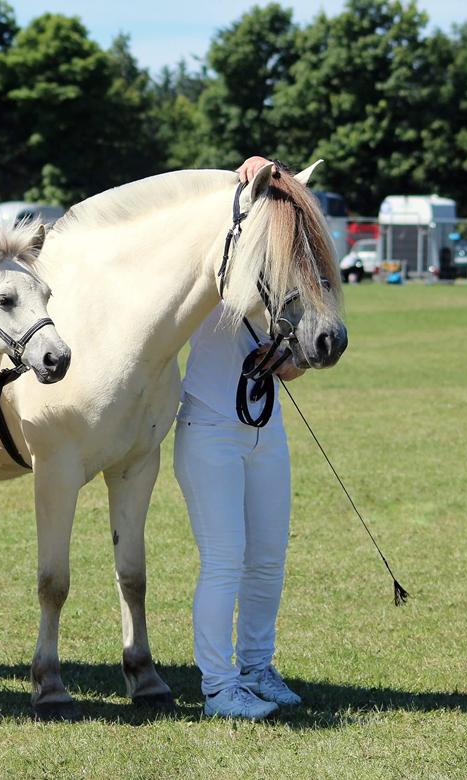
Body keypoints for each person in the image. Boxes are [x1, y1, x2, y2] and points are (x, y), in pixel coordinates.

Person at [173, 155, 306, 720]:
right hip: (209, 428)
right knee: (225, 561)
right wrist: (264, 172)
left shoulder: (279, 269)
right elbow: (249, 169)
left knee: (268, 560)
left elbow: (299, 363)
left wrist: (288, 360)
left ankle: (256, 667)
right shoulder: (216, 255)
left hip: (264, 428)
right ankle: (218, 687)